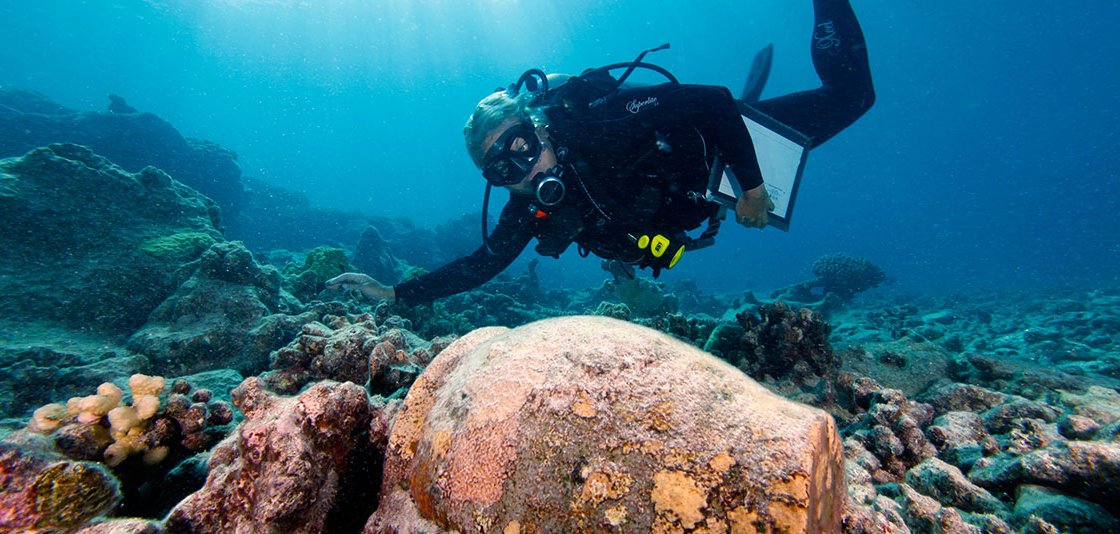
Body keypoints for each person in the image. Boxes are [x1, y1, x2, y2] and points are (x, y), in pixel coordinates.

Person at [329, 0, 874, 305]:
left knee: (852, 97)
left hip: (724, 149)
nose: (522, 167)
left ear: (541, 127)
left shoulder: (601, 123)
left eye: (522, 146)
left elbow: (710, 101)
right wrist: (396, 292)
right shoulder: (529, 205)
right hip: (697, 198)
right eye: (503, 167)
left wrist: (752, 185)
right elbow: (482, 264)